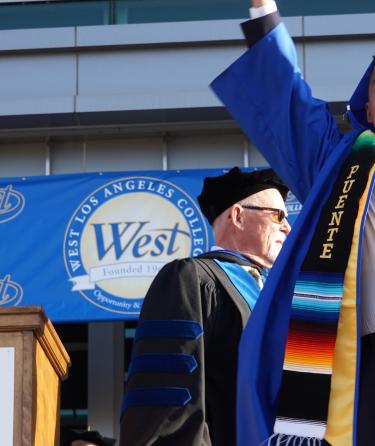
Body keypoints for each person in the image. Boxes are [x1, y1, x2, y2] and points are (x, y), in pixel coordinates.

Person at [211, 1, 375, 445]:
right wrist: (264, 11)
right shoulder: (342, 160)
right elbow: (288, 98)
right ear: (370, 100)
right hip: (353, 358)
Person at [119, 167, 290, 445]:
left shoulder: (276, 296)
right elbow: (167, 400)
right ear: (238, 215)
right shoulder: (191, 278)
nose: (287, 226)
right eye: (277, 215)